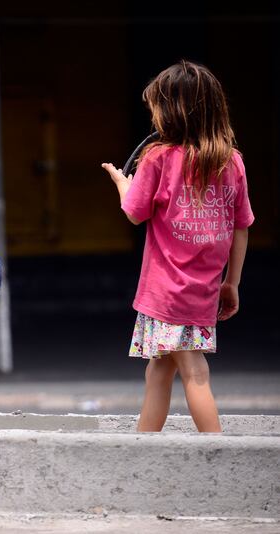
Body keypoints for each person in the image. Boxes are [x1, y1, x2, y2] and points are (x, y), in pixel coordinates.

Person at [101, 60, 254, 432]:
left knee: (195, 373)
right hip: (202, 289)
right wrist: (231, 282)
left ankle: (217, 455)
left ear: (168, 111)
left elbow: (135, 213)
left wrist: (123, 182)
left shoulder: (158, 157)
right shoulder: (231, 161)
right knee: (159, 370)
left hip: (168, 291)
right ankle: (144, 446)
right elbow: (241, 226)